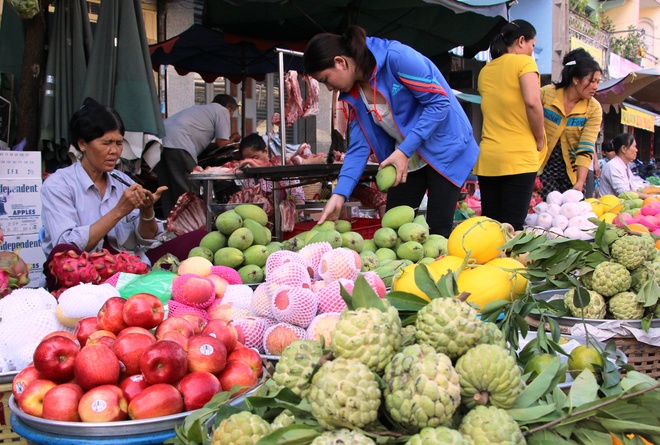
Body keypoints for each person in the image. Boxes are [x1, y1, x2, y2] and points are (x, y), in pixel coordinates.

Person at [303, 26, 479, 236]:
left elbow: (439, 103)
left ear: (340, 62)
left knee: (437, 231)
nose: (329, 88)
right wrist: (340, 194)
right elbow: (359, 147)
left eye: (325, 80)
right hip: (406, 154)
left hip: (445, 147)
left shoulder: (397, 58)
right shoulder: (354, 92)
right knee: (391, 232)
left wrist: (404, 151)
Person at [41, 98, 167, 287]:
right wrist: (118, 211)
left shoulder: (124, 181)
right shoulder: (58, 185)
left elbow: (148, 240)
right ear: (82, 144)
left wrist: (146, 211)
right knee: (63, 252)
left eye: (118, 143)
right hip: (82, 276)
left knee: (195, 239)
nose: (114, 151)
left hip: (129, 268)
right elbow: (65, 247)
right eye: (106, 143)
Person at [473, 20, 545, 231]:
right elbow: (532, 102)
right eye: (532, 46)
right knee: (512, 229)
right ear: (521, 41)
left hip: (489, 158)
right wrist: (540, 138)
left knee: (491, 229)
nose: (532, 52)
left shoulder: (485, 71)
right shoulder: (524, 63)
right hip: (519, 156)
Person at [155, 94, 241, 217]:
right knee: (188, 189)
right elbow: (222, 143)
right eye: (232, 113)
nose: (231, 116)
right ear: (228, 107)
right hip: (180, 144)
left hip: (161, 142)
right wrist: (234, 138)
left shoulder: (201, 110)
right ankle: (192, 223)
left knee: (167, 190)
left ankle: (170, 224)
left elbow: (211, 144)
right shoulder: (222, 110)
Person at [539, 48, 603, 199]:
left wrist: (580, 182)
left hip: (573, 173)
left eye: (597, 82)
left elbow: (586, 146)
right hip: (542, 169)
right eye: (591, 81)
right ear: (576, 79)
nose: (595, 87)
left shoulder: (593, 108)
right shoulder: (546, 94)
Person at [234, 133, 306, 206]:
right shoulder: (249, 178)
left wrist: (288, 212)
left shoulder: (282, 168)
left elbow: (299, 200)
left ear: (266, 151)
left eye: (255, 158)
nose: (251, 163)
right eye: (247, 160)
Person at [599, 133, 654, 199]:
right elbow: (624, 193)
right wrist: (650, 197)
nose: (636, 150)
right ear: (624, 149)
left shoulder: (625, 166)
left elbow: (631, 190)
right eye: (634, 146)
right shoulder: (613, 166)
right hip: (610, 207)